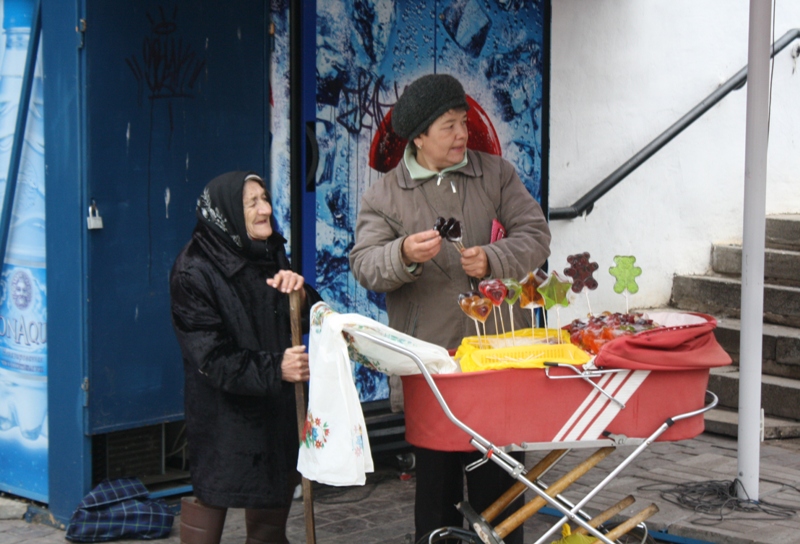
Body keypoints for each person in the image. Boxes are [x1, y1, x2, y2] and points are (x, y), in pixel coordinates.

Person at [350, 74, 551, 543]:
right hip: (430, 361)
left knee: (499, 487)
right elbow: (363, 264)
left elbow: (535, 234)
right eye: (448, 126)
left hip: (498, 355)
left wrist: (494, 258)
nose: (462, 134)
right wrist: (402, 255)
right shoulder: (384, 194)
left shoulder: (495, 173)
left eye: (463, 122)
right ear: (418, 137)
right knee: (437, 490)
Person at [170, 171, 321, 544]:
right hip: (225, 413)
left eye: (264, 199)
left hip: (278, 408)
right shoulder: (193, 270)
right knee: (213, 498)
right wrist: (277, 368)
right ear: (225, 213)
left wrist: (300, 296)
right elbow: (212, 357)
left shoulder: (269, 251)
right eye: (251, 202)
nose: (265, 209)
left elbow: (306, 314)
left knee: (270, 524)